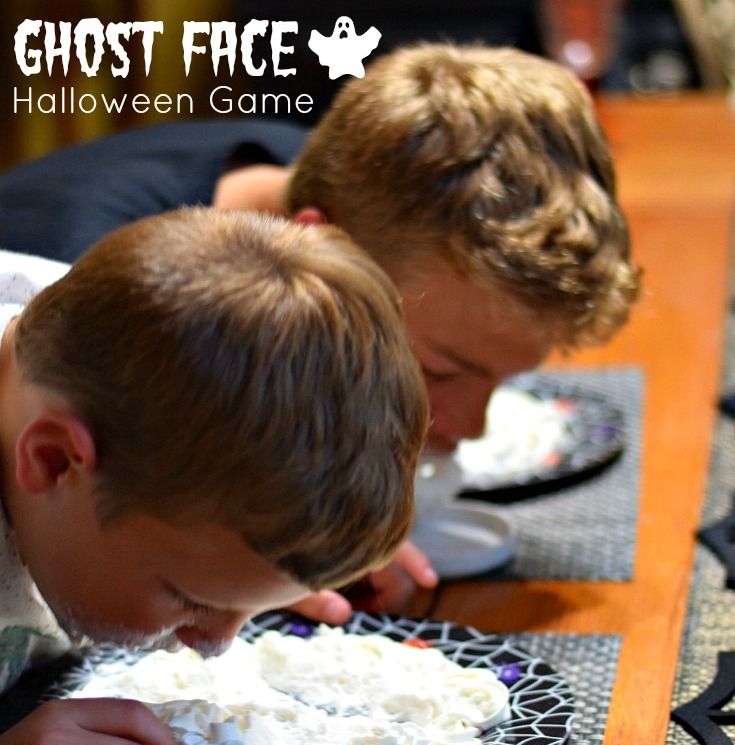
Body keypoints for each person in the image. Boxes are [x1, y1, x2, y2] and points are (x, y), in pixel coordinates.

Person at [0, 43, 640, 610]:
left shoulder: (334, 177)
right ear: (322, 251)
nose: (470, 431)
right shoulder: (85, 325)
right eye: (439, 369)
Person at [0, 208, 428, 745]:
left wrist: (257, 573)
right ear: (54, 461)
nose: (217, 643)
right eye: (188, 595)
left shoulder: (99, 358)